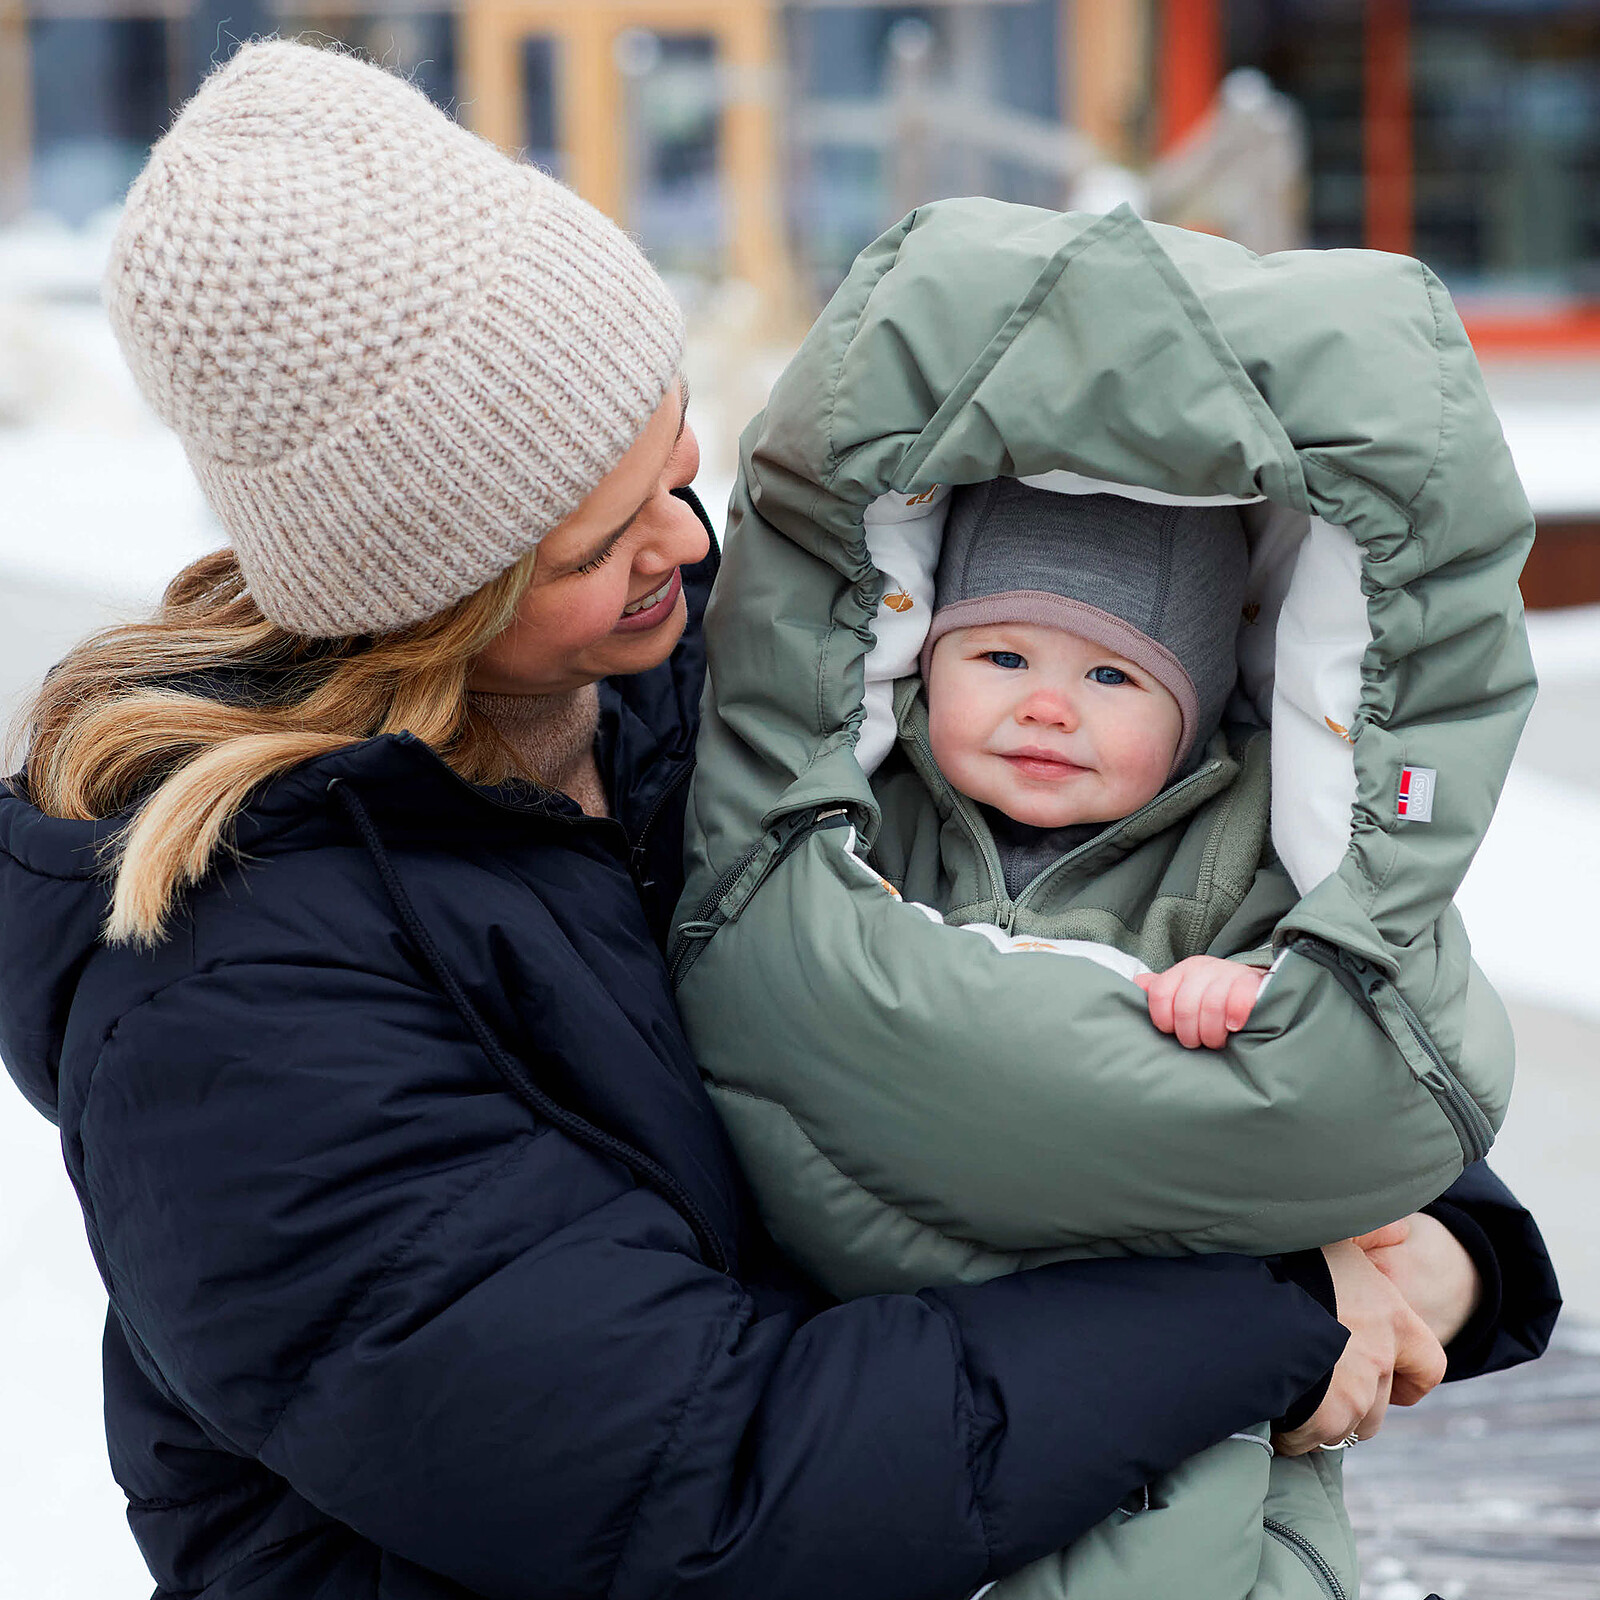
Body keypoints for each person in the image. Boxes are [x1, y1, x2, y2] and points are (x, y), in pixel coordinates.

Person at [670, 196, 1562, 1598]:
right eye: (1001, 655)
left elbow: (1332, 999)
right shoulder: (868, 817)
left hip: (1201, 1433)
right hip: (916, 1366)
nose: (1046, 710)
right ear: (918, 655)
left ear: (1199, 713)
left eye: (1111, 678)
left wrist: (1251, 987)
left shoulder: (1229, 844)